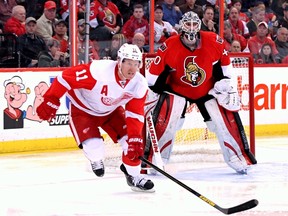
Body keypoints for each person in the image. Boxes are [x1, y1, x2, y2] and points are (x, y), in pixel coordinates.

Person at [146, 11, 257, 174]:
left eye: (194, 24)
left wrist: (224, 84)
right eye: (188, 24)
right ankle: (155, 159)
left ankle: (238, 157)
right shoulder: (169, 45)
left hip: (207, 89)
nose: (191, 28)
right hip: (177, 90)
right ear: (181, 27)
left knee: (224, 117)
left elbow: (225, 66)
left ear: (199, 26)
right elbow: (153, 76)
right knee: (167, 119)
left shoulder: (213, 40)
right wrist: (152, 94)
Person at [35, 43, 155, 192]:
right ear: (119, 61)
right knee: (95, 149)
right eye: (129, 63)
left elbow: (135, 113)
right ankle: (95, 159)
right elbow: (65, 78)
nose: (132, 68)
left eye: (136, 64)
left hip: (111, 112)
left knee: (132, 143)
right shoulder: (99, 71)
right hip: (83, 111)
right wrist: (51, 98)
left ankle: (134, 176)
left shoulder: (139, 83)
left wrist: (135, 137)